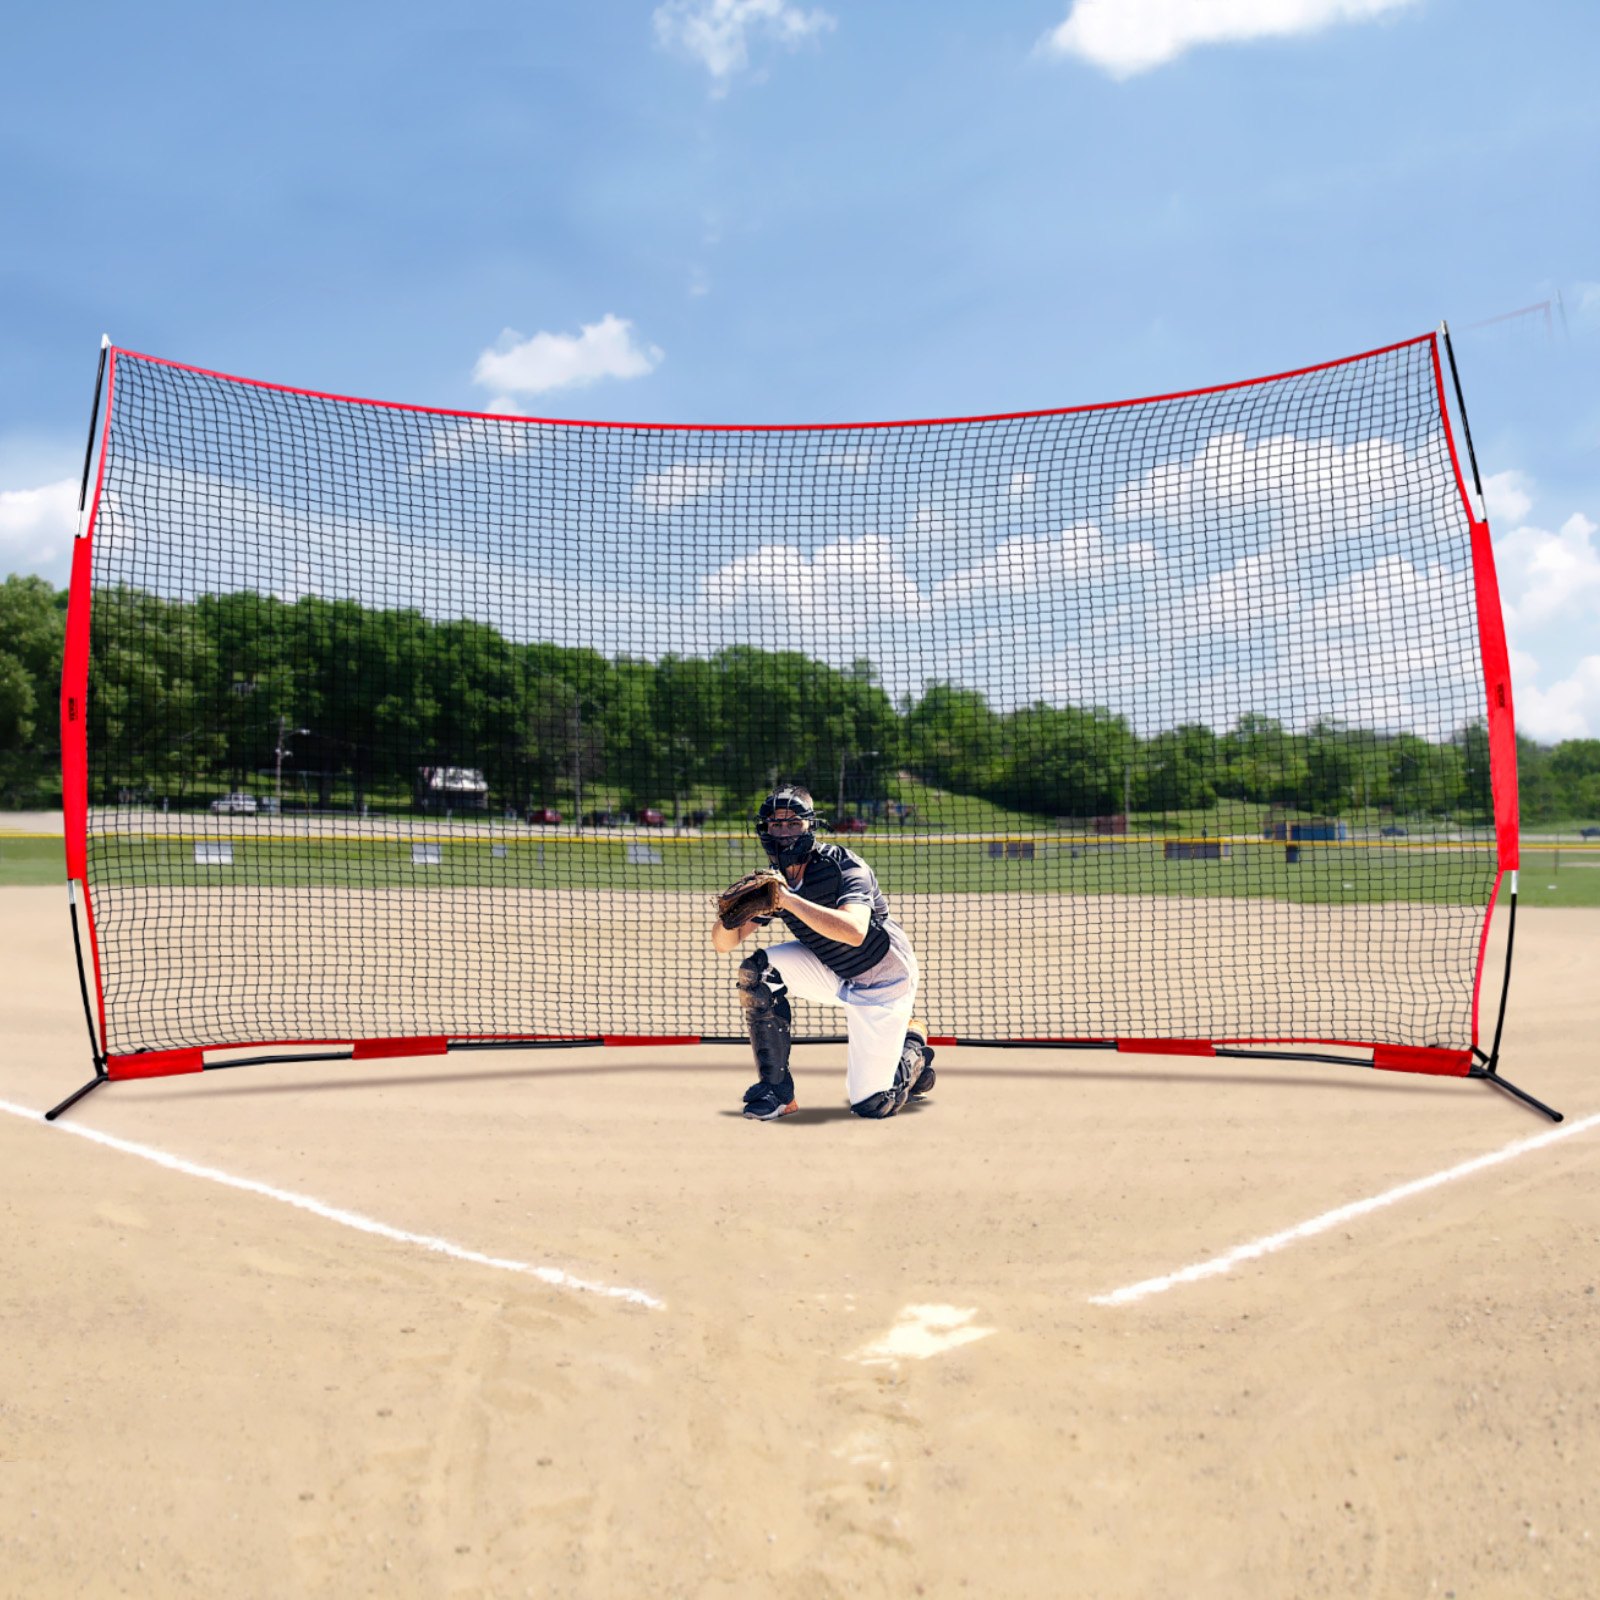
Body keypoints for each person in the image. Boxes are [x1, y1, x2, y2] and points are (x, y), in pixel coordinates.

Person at [711, 783, 936, 1120]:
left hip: (882, 977)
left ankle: (912, 1043)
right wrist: (733, 914)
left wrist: (788, 900)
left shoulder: (842, 866)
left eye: (793, 823)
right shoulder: (775, 882)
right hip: (830, 967)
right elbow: (722, 944)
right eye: (776, 824)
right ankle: (777, 1092)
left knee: (874, 1104)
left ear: (810, 826)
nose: (784, 833)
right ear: (765, 829)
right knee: (756, 974)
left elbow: (855, 930)